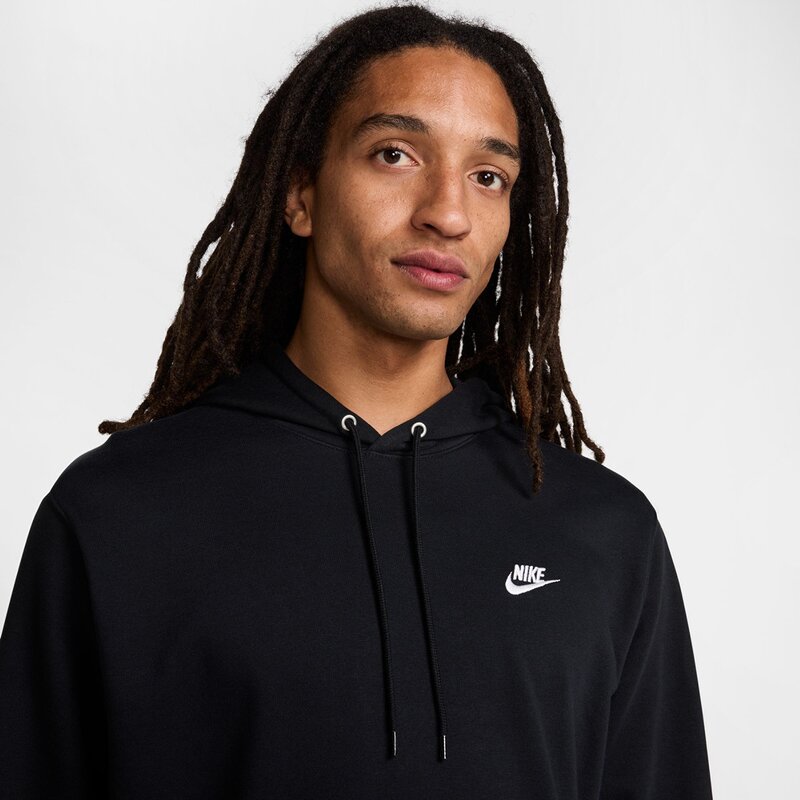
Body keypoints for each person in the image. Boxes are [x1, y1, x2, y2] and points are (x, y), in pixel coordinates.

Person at [0, 4, 714, 798]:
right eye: (395, 154)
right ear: (300, 193)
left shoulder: (603, 533)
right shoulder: (118, 513)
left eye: (488, 176)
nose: (447, 213)